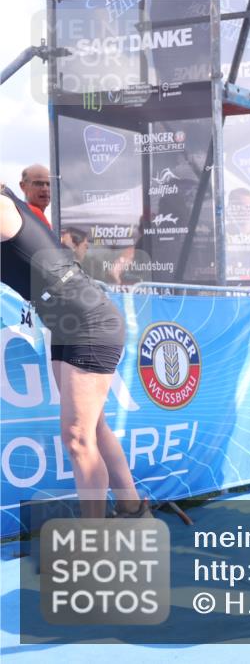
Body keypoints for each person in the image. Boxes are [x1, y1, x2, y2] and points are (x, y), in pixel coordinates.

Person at [1, 186, 145, 519]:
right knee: (92, 429)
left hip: (90, 320)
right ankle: (133, 510)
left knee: (77, 437)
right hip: (65, 323)